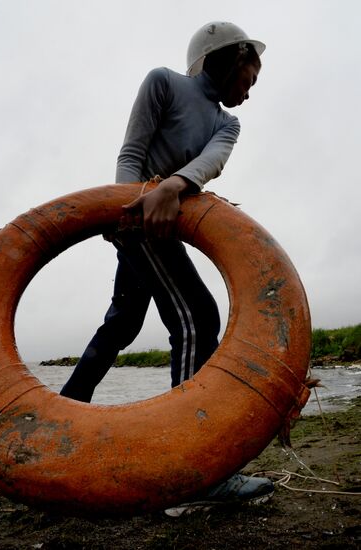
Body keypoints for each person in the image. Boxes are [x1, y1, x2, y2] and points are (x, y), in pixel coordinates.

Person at [61, 21, 274, 502]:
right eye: (250, 77)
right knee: (198, 316)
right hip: (138, 221)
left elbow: (211, 161)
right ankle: (191, 468)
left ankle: (63, 418)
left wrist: (173, 187)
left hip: (165, 220)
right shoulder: (164, 82)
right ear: (232, 56)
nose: (249, 90)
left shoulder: (227, 122)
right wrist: (123, 211)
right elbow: (132, 150)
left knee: (123, 323)